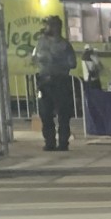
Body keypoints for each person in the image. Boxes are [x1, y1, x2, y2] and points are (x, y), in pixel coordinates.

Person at [32, 15, 77, 152]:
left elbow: (72, 63)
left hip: (60, 81)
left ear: (56, 27)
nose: (46, 28)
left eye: (49, 25)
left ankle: (63, 142)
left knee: (63, 114)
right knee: (45, 114)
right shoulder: (41, 43)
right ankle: (49, 141)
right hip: (44, 82)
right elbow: (35, 58)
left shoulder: (64, 45)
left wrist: (55, 60)